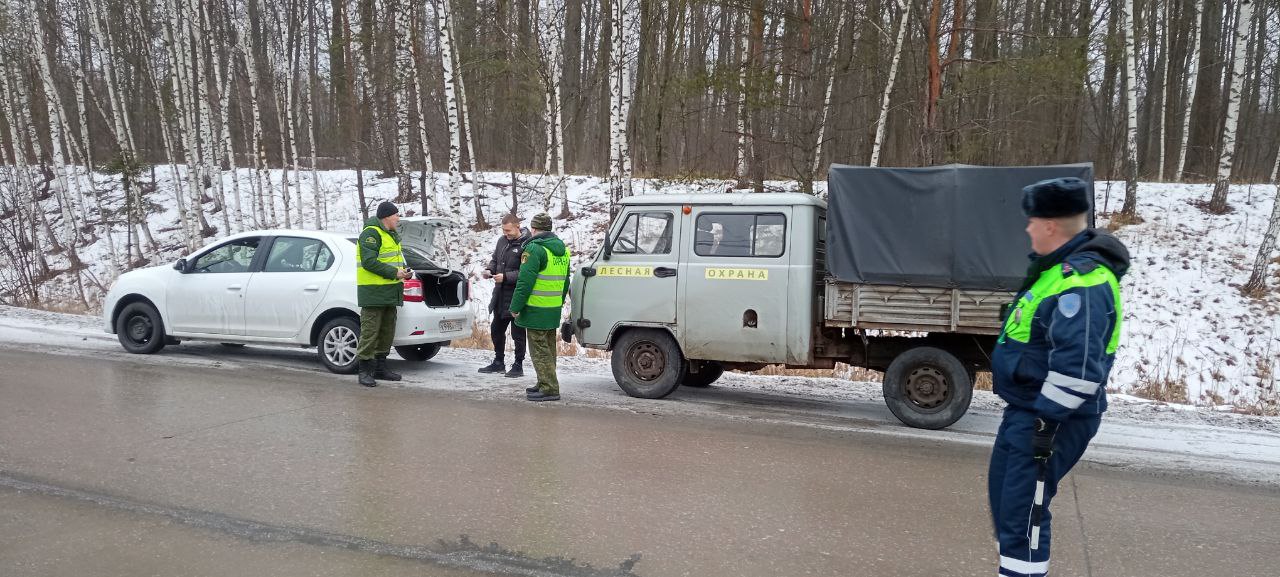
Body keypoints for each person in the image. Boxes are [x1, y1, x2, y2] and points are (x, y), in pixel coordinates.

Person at [989, 178, 1130, 577]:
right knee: (1007, 508)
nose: (1027, 229)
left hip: (1048, 419)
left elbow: (1079, 369)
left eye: (1031, 221)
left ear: (1050, 225)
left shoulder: (1082, 282)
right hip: (1027, 412)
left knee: (1024, 517)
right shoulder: (1055, 273)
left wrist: (1045, 423)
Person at [509, 213, 571, 402]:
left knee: (539, 350)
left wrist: (515, 306)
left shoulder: (535, 250)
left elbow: (524, 282)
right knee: (548, 348)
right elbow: (566, 281)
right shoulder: (562, 250)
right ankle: (544, 381)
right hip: (552, 308)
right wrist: (559, 303)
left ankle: (550, 388)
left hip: (536, 308)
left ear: (534, 229)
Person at [355, 201, 412, 387]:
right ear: (387, 216)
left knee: (387, 332)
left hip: (390, 291)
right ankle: (364, 370)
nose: (398, 218)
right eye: (396, 215)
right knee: (370, 332)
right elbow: (369, 262)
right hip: (373, 292)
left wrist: (403, 270)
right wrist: (394, 273)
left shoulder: (391, 235)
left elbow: (392, 261)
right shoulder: (371, 233)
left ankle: (380, 368)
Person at [478, 213, 531, 377]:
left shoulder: (527, 244)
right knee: (496, 330)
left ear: (517, 226)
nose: (505, 234)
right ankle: (498, 362)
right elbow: (495, 259)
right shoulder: (502, 241)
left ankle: (518, 365)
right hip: (500, 295)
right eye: (503, 230)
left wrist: (506, 277)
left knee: (518, 334)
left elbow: (526, 272)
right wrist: (489, 270)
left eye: (508, 230)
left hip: (517, 296)